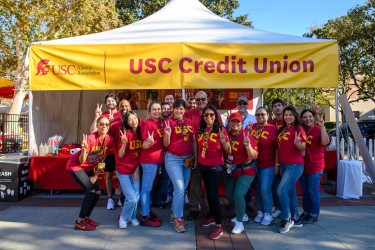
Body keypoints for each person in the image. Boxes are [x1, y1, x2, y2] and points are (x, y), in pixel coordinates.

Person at [66, 116, 114, 231]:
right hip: (76, 166)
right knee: (90, 190)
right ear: (97, 125)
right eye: (101, 124)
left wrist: (96, 175)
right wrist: (83, 150)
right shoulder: (91, 138)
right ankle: (79, 221)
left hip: (89, 169)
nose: (104, 126)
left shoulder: (110, 139)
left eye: (107, 124)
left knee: (97, 191)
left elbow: (103, 159)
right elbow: (82, 161)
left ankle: (86, 218)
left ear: (109, 126)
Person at [197, 105, 231, 240]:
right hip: (203, 166)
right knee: (208, 194)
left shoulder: (221, 130)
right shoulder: (201, 130)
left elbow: (228, 151)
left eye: (211, 115)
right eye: (206, 115)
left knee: (213, 194)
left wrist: (224, 143)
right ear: (203, 117)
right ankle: (212, 217)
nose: (209, 117)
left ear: (215, 116)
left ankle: (218, 225)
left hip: (215, 167)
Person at [163, 99, 196, 233]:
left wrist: (196, 158)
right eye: (176, 108)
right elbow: (165, 144)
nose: (179, 111)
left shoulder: (189, 123)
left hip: (188, 159)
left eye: (181, 108)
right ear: (173, 109)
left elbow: (193, 141)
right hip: (173, 159)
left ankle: (173, 213)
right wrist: (168, 135)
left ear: (185, 110)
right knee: (180, 187)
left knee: (182, 189)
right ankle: (178, 218)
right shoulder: (168, 122)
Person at [296, 105, 330, 225]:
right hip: (303, 166)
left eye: (310, 116)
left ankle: (314, 214)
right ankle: (306, 212)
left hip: (315, 166)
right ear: (301, 119)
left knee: (312, 191)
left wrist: (322, 126)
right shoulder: (301, 130)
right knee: (305, 191)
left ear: (313, 118)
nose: (307, 119)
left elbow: (325, 142)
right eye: (304, 117)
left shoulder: (318, 129)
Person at [225, 112, 258, 234]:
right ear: (229, 122)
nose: (234, 124)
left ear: (241, 123)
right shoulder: (227, 135)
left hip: (246, 169)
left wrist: (248, 147)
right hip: (232, 170)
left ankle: (240, 223)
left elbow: (254, 156)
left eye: (237, 122)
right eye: (232, 121)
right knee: (229, 193)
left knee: (238, 194)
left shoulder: (246, 135)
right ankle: (242, 214)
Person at [277, 106, 306, 234]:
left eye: (290, 114)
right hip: (283, 165)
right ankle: (296, 218)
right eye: (286, 114)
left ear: (295, 116)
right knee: (290, 192)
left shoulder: (298, 128)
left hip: (294, 165)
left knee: (281, 190)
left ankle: (286, 218)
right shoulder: (283, 129)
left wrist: (298, 144)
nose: (288, 117)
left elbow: (302, 147)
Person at [90, 93, 120, 210]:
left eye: (112, 101)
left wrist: (113, 122)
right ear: (105, 103)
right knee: (108, 174)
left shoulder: (121, 115)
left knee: (121, 175)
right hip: (107, 152)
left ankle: (122, 199)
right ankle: (110, 198)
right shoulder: (102, 115)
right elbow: (92, 130)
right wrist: (96, 116)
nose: (110, 103)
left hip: (120, 151)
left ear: (116, 102)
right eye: (108, 101)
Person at [250, 107, 278, 226]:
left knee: (265, 188)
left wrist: (277, 164)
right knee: (257, 189)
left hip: (268, 164)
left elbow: (277, 148)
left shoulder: (273, 129)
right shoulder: (252, 127)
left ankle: (268, 213)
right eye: (257, 115)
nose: (260, 117)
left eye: (262, 114)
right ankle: (260, 211)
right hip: (255, 164)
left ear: (267, 115)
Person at [184, 90, 209, 220]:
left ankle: (210, 210)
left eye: (203, 100)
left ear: (207, 100)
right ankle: (194, 208)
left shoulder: (212, 113)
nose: (200, 102)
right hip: (193, 152)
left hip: (210, 155)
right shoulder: (188, 114)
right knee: (194, 184)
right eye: (198, 100)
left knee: (210, 184)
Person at [115, 111, 142, 229]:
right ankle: (123, 217)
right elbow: (120, 155)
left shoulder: (141, 133)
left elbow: (141, 154)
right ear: (126, 121)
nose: (133, 121)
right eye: (130, 119)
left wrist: (136, 169)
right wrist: (124, 144)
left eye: (134, 118)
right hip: (123, 171)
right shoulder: (125, 134)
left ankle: (133, 217)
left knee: (136, 197)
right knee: (131, 198)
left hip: (135, 170)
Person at [139, 101, 164, 227]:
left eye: (158, 109)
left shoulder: (159, 123)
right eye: (154, 109)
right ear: (149, 111)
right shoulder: (148, 124)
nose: (157, 111)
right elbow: (144, 144)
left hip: (155, 160)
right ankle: (144, 216)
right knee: (146, 189)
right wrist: (148, 143)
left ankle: (147, 210)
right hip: (149, 161)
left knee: (149, 188)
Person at [151, 102, 172, 208]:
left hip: (168, 154)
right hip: (156, 154)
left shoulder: (172, 121)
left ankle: (161, 200)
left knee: (165, 178)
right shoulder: (156, 121)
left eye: (167, 108)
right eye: (163, 108)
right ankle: (152, 199)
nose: (165, 110)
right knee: (154, 178)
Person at [268, 98, 285, 218]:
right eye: (275, 106)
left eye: (279, 105)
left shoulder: (288, 121)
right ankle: (279, 208)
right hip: (274, 160)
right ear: (272, 109)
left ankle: (288, 212)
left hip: (288, 160)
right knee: (274, 187)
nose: (277, 108)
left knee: (286, 188)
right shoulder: (271, 123)